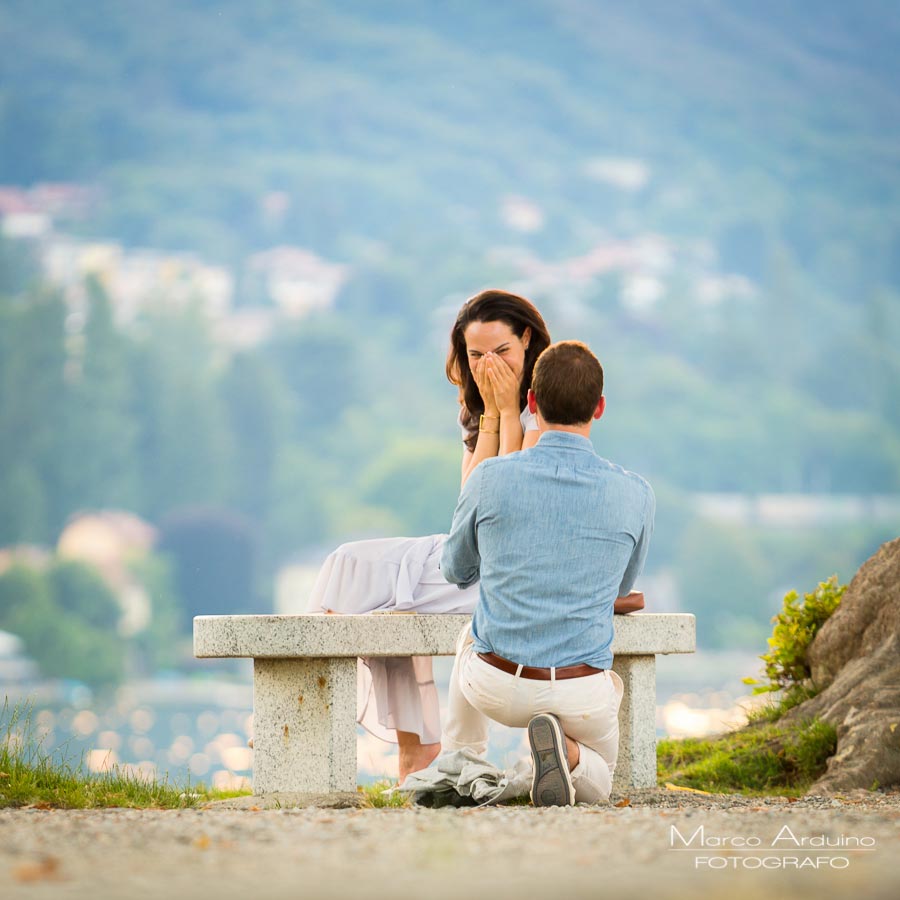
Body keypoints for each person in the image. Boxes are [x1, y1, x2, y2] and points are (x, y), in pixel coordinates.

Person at [306, 289, 552, 781]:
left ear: (527, 340)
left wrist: (508, 413)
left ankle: (379, 744)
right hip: (468, 552)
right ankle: (401, 744)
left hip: (511, 567)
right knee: (350, 566)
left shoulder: (547, 405)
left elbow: (506, 504)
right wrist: (490, 415)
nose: (490, 366)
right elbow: (471, 505)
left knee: (377, 589)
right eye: (477, 355)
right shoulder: (480, 411)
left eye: (501, 352)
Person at [439, 340, 655, 806]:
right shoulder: (636, 494)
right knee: (602, 782)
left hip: (496, 684)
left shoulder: (489, 477)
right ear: (598, 408)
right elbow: (621, 586)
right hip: (581, 690)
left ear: (532, 403)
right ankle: (571, 756)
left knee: (467, 637)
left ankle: (463, 762)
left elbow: (454, 570)